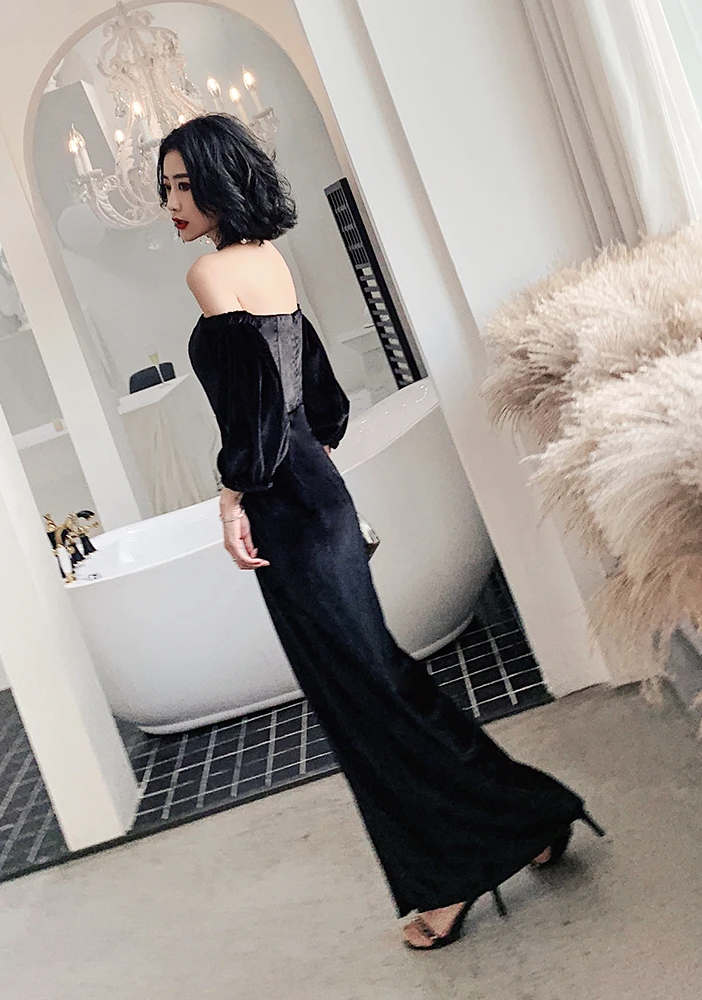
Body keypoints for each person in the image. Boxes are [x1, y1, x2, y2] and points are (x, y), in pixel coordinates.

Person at [158, 114, 604, 951]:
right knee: (384, 683)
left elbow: (259, 419)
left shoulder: (210, 274)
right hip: (316, 498)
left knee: (366, 700)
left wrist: (230, 499)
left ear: (221, 181)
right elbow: (319, 399)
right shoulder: (270, 260)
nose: (171, 202)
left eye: (185, 185)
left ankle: (455, 872)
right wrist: (304, 473)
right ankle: (530, 814)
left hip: (288, 514)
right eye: (166, 186)